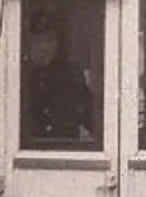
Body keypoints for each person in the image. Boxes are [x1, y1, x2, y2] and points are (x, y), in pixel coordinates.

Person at [22, 9, 98, 148]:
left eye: (49, 40)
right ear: (27, 43)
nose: (44, 48)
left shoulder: (71, 76)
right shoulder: (18, 76)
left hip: (64, 155)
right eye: (37, 41)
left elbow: (92, 118)